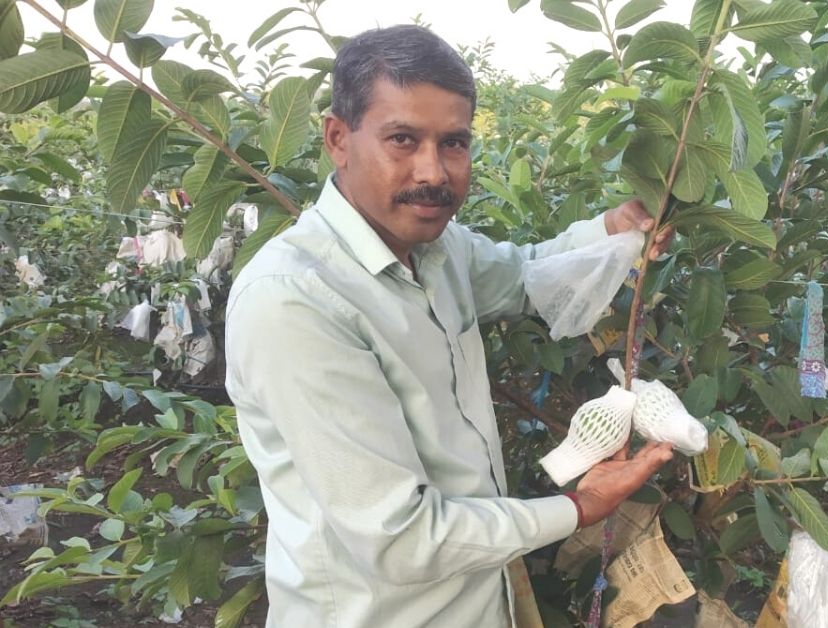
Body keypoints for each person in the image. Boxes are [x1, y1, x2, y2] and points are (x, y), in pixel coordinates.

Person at [224, 24, 675, 628]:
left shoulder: (442, 250)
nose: (433, 172)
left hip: (478, 600)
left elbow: (526, 275)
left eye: (454, 143)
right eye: (402, 139)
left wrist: (609, 236)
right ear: (338, 137)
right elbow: (401, 538)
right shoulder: (295, 302)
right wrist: (578, 507)